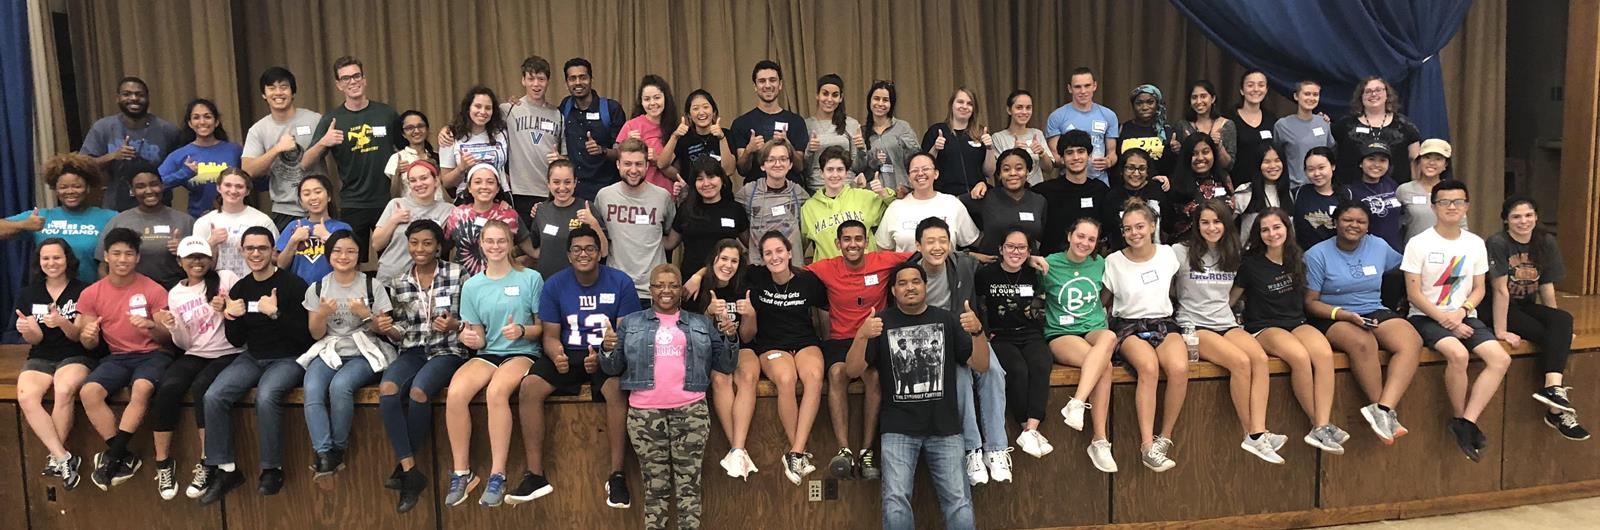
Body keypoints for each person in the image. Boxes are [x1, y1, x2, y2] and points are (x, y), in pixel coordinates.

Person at [843, 262, 986, 530]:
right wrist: (861, 336)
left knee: (959, 501)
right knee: (895, 500)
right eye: (903, 283)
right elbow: (852, 369)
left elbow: (980, 364)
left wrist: (978, 333)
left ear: (925, 286)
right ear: (894, 291)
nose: (910, 287)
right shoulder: (881, 323)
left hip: (946, 429)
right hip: (898, 428)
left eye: (915, 281)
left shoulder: (946, 319)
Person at [600, 263, 737, 530]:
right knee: (655, 488)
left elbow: (726, 365)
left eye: (673, 285)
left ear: (680, 290)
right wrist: (607, 349)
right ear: (650, 289)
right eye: (659, 285)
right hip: (644, 416)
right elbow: (613, 368)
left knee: (689, 487)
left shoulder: (700, 323)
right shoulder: (631, 323)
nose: (666, 290)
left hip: (691, 413)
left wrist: (730, 338)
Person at [519, 226, 639, 507]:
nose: (584, 254)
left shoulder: (621, 282)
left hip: (606, 353)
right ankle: (535, 475)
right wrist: (556, 354)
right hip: (568, 352)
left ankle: (617, 475)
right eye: (577, 249)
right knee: (529, 388)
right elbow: (549, 335)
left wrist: (606, 352)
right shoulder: (555, 284)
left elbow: (625, 336)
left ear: (600, 253)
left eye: (590, 249)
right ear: (569, 255)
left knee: (617, 389)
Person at [201, 226, 313, 504]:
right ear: (242, 251)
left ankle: (271, 469)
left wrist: (276, 314)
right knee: (213, 395)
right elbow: (236, 340)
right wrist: (232, 317)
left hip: (290, 357)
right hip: (253, 357)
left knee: (266, 395)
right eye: (250, 248)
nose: (256, 253)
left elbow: (306, 336)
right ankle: (226, 468)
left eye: (262, 248)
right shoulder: (241, 287)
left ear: (273, 251)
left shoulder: (293, 284)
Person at [1400, 180, 1510, 462]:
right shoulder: (1419, 243)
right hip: (1426, 317)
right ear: (1433, 206)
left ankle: (1466, 423)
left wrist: (1462, 312)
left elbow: (1480, 288)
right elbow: (1413, 293)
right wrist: (1446, 320)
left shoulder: (1474, 243)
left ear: (1467, 206)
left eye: (1458, 202)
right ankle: (1458, 415)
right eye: (1445, 202)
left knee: (1500, 359)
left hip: (1464, 314)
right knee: (1458, 355)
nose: (1452, 207)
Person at [442, 220, 546, 507]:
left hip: (523, 351)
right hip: (488, 354)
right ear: (481, 244)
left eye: (501, 241)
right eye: (490, 241)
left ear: (510, 244)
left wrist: (522, 331)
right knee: (455, 393)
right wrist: (472, 339)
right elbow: (479, 336)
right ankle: (462, 473)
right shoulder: (473, 286)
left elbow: (542, 328)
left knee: (496, 392)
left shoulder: (530, 279)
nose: (496, 246)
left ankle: (497, 475)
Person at [1171, 202, 1282, 463]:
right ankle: (1252, 434)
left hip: (1226, 321)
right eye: (1205, 222)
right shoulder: (1180, 251)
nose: (1211, 227)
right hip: (1194, 324)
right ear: (1197, 226)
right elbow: (1169, 288)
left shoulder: (1232, 252)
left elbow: (1231, 296)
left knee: (1260, 360)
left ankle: (1260, 429)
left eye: (1217, 222)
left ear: (1226, 224)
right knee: (1240, 362)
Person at [1304, 201, 1422, 444]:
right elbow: (1310, 303)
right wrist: (1344, 314)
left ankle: (1383, 409)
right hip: (1333, 314)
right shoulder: (1317, 254)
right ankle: (1381, 411)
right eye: (1348, 220)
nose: (1354, 225)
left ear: (1368, 227)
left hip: (1373, 308)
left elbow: (1408, 266)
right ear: (1335, 223)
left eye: (1361, 222)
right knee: (1363, 341)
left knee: (1411, 341)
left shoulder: (1378, 246)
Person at [1233, 208, 1345, 454]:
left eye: (1277, 227)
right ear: (1258, 234)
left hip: (1297, 321)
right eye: (1265, 229)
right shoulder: (1250, 263)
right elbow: (1231, 300)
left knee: (1324, 355)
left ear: (1287, 228)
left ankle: (1323, 425)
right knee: (1299, 357)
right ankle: (1317, 422)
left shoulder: (1298, 257)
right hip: (1264, 327)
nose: (1272, 233)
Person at [806, 220, 911, 480]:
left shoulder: (883, 261)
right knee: (837, 373)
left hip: (874, 338)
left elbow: (923, 254)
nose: (853, 244)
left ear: (866, 242)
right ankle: (844, 450)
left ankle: (866, 451)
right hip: (841, 340)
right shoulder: (826, 268)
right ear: (838, 244)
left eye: (858, 239)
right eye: (847, 239)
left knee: (874, 377)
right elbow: (789, 271)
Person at [374, 220, 465, 512]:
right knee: (387, 389)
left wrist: (455, 324)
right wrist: (387, 329)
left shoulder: (457, 273)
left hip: (447, 350)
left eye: (427, 243)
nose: (420, 249)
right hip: (412, 350)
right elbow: (401, 330)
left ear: (438, 246)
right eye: (414, 243)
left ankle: (406, 473)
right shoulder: (400, 280)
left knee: (418, 392)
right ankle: (411, 470)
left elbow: (470, 318)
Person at [911, 217, 1011, 485]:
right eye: (930, 241)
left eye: (943, 241)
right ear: (918, 245)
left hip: (968, 334)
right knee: (960, 381)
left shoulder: (963, 263)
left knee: (994, 371)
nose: (937, 247)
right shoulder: (909, 275)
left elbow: (997, 262)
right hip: (934, 344)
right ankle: (973, 450)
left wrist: (1032, 260)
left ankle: (997, 449)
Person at [146, 235, 243, 500]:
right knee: (167, 387)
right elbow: (184, 342)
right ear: (180, 261)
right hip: (195, 353)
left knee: (203, 388)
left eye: (201, 257)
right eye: (191, 258)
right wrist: (172, 325)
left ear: (211, 259)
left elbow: (242, 313)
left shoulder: (226, 278)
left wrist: (227, 309)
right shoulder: (176, 293)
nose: (197, 262)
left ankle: (207, 461)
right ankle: (163, 462)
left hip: (228, 352)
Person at [76, 227, 173, 489]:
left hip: (154, 354)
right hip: (117, 357)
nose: (122, 259)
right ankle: (123, 455)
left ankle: (112, 458)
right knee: (89, 392)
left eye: (129, 254)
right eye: (116, 254)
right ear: (106, 256)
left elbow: (168, 338)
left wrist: (152, 326)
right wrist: (88, 334)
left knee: (141, 388)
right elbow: (88, 342)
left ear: (137, 258)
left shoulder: (153, 289)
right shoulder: (91, 294)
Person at [1485, 196, 1587, 440]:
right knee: (1550, 338)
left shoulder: (1545, 241)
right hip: (1496, 307)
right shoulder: (1498, 242)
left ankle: (1553, 388)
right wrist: (1500, 331)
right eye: (1516, 217)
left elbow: (1547, 284)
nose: (1523, 221)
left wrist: (1554, 321)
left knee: (1561, 320)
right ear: (1506, 220)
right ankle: (1555, 409)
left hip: (1526, 304)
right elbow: (1499, 290)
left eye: (1528, 215)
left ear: (1536, 217)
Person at [297, 230, 396, 476]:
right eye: (338, 251)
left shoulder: (372, 285)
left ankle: (338, 449)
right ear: (328, 254)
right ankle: (323, 453)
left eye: (351, 251)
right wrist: (320, 314)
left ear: (359, 255)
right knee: (312, 387)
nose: (344, 256)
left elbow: (383, 329)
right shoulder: (318, 288)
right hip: (330, 347)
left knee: (340, 386)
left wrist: (365, 313)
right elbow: (316, 333)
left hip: (364, 350)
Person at [1103, 200, 1189, 472]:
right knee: (1149, 367)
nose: (1134, 233)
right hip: (1128, 325)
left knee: (1179, 367)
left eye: (1139, 226)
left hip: (1163, 320)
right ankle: (1147, 445)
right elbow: (1104, 300)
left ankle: (1164, 438)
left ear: (1152, 226)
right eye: (1127, 229)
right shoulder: (1113, 261)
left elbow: (1174, 290)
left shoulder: (1168, 255)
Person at [742, 231, 830, 485]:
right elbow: (720, 265)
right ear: (762, 257)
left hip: (804, 341)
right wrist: (698, 276)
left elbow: (824, 311)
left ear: (790, 253)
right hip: (771, 344)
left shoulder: (808, 281)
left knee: (814, 376)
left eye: (779, 251)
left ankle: (795, 452)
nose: (774, 257)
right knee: (786, 378)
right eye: (768, 253)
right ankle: (798, 451)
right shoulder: (756, 277)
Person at [14, 239, 95, 490]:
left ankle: (57, 459)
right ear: (39, 262)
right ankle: (62, 457)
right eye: (46, 258)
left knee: (63, 389)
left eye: (57, 258)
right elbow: (35, 339)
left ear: (67, 259)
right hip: (42, 354)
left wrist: (62, 322)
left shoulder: (84, 290)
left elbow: (78, 337)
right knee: (26, 396)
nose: (52, 263)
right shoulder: (30, 292)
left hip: (75, 353)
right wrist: (28, 329)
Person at [303, 56, 400, 264]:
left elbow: (408, 146)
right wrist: (324, 142)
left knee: (393, 261)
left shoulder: (386, 113)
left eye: (356, 76)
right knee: (351, 262)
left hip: (387, 201)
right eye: (345, 78)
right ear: (339, 85)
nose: (352, 82)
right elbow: (305, 162)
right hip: (353, 203)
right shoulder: (332, 120)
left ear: (364, 79)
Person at [1041, 219, 1119, 472]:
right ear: (1069, 235)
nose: (1084, 243)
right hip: (1062, 333)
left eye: (1091, 239)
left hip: (1094, 329)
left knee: (1109, 337)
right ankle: (1099, 440)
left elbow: (1106, 294)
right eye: (1080, 236)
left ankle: (1077, 403)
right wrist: (1031, 260)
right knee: (1104, 366)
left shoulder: (1100, 264)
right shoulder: (1049, 263)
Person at [974, 229, 1057, 464]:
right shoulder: (985, 275)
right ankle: (1026, 428)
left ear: (1029, 251)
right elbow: (980, 304)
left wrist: (1031, 261)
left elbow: (1041, 302)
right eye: (1010, 246)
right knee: (1017, 370)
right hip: (1000, 336)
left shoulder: (1034, 272)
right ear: (1000, 249)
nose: (1015, 252)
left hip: (1031, 333)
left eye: (1022, 248)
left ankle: (1031, 428)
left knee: (1041, 365)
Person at [684, 241, 761, 479]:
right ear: (713, 260)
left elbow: (748, 336)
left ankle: (737, 450)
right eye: (723, 259)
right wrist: (707, 314)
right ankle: (738, 449)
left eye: (734, 261)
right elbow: (689, 335)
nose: (728, 265)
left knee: (748, 376)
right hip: (709, 350)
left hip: (741, 347)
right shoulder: (698, 287)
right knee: (720, 379)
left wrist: (750, 315)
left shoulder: (744, 288)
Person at [1, 153, 117, 282]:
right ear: (55, 189)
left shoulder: (109, 218)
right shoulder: (41, 216)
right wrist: (23, 224)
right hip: (50, 297)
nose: (70, 191)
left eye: (77, 186)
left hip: (91, 295)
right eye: (63, 187)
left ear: (88, 187)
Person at [240, 67, 327, 228]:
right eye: (271, 88)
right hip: (285, 210)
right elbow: (248, 170)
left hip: (320, 207)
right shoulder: (258, 130)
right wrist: (277, 149)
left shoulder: (315, 120)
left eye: (284, 87)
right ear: (264, 95)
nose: (278, 93)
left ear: (293, 93)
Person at [597, 138, 678, 304]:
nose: (633, 170)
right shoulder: (604, 196)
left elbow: (670, 236)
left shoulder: (662, 196)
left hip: (654, 290)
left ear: (647, 166)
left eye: (639, 164)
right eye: (627, 164)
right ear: (618, 164)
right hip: (616, 288)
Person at [80, 76, 180, 210]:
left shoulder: (167, 130)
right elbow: (83, 166)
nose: (133, 98)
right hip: (115, 207)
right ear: (117, 98)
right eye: (126, 94)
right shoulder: (103, 127)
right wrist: (112, 156)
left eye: (139, 94)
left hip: (158, 208)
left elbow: (180, 167)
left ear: (148, 98)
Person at [101, 162, 194, 287]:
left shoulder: (185, 221)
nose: (149, 191)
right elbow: (103, 266)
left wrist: (186, 250)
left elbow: (202, 262)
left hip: (176, 293)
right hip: (131, 292)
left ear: (162, 185)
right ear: (132, 190)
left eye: (154, 184)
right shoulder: (119, 222)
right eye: (140, 186)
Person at [800, 146, 893, 260]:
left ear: (846, 173)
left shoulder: (864, 196)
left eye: (840, 169)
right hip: (829, 274)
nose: (835, 175)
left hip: (865, 270)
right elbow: (800, 247)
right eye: (829, 169)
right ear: (821, 173)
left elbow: (897, 210)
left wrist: (883, 193)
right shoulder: (809, 208)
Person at [502, 56, 565, 223]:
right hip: (519, 191)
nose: (536, 84)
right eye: (531, 78)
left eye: (541, 79)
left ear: (548, 81)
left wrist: (560, 159)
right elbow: (476, 119)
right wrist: (448, 130)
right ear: (523, 80)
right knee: (522, 244)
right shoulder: (508, 110)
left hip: (549, 191)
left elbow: (565, 157)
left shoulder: (557, 115)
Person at [875, 152, 979, 252]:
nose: (920, 173)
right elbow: (883, 248)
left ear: (936, 174)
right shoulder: (895, 208)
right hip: (906, 269)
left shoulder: (952, 204)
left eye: (925, 169)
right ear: (909, 178)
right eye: (915, 170)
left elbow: (971, 240)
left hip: (946, 269)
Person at [160, 98, 246, 218]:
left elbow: (253, 179)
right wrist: (184, 173)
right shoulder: (180, 155)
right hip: (199, 220)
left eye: (207, 117)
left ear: (216, 122)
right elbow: (156, 183)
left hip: (237, 217)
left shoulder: (235, 151)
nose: (202, 122)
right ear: (190, 123)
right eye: (196, 117)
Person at [443, 165, 534, 276]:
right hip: (464, 281)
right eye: (478, 182)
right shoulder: (457, 214)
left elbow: (531, 250)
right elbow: (444, 247)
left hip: (501, 280)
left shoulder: (509, 215)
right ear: (469, 188)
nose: (484, 186)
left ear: (498, 188)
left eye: (490, 182)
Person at [731, 60, 810, 186]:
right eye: (762, 81)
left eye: (772, 80)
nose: (767, 85)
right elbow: (742, 170)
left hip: (790, 192)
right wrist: (749, 150)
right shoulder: (741, 123)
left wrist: (788, 145)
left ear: (780, 84)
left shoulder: (796, 121)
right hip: (756, 193)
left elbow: (800, 167)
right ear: (755, 86)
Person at [558, 57, 627, 201]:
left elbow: (623, 153)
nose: (578, 82)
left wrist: (602, 151)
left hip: (606, 191)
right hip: (573, 192)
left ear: (591, 80)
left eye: (583, 77)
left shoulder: (611, 109)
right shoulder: (565, 106)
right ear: (566, 83)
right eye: (572, 78)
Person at [374, 160, 454, 281]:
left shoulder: (448, 210)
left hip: (426, 281)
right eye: (413, 180)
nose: (419, 184)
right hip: (390, 277)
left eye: (424, 178)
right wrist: (394, 220)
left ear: (436, 180)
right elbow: (376, 244)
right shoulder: (396, 204)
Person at [528, 159, 609, 279]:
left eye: (567, 182)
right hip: (547, 281)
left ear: (575, 182)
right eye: (556, 182)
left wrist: (594, 224)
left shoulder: (587, 208)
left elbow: (604, 252)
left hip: (579, 282)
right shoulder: (541, 210)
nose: (562, 187)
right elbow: (534, 247)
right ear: (548, 184)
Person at [1334, 76, 1421, 186]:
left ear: (1387, 95)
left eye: (1378, 90)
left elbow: (1415, 159)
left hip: (1396, 194)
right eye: (1368, 91)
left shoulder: (1405, 125)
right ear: (1361, 96)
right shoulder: (1345, 124)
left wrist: (1417, 189)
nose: (1373, 94)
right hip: (1351, 193)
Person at [1034, 130, 1111, 254]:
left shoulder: (1101, 190)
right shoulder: (1044, 191)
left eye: (1081, 151)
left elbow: (1106, 229)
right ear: (1062, 158)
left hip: (1088, 261)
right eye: (1069, 153)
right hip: (1051, 262)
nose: (1076, 157)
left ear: (1089, 155)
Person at [192, 169, 278, 278]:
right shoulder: (204, 222)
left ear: (247, 191)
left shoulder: (261, 220)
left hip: (253, 282)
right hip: (216, 285)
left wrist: (250, 248)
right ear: (219, 188)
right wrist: (211, 243)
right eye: (228, 185)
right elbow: (194, 261)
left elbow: (276, 259)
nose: (233, 191)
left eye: (239, 186)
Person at [735, 138, 810, 265]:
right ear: (762, 165)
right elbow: (736, 218)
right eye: (771, 159)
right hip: (759, 266)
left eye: (783, 159)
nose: (778, 164)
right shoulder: (749, 191)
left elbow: (806, 231)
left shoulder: (799, 193)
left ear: (790, 164)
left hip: (793, 267)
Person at [964, 148, 1044, 258]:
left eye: (1019, 168)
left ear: (1027, 171)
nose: (1012, 173)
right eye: (1006, 169)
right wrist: (974, 238)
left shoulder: (1039, 200)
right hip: (990, 268)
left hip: (1028, 268)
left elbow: (1040, 235)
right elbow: (953, 204)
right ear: (999, 174)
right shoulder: (985, 196)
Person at [673, 160, 747, 277]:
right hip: (692, 281)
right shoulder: (686, 209)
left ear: (722, 179)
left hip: (727, 279)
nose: (706, 183)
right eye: (700, 179)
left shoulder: (735, 209)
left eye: (711, 177)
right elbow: (669, 243)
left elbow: (749, 244)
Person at [1046, 67, 1119, 185]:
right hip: (1068, 183)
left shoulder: (1108, 115)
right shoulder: (1057, 117)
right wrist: (1076, 162)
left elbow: (1112, 153)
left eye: (1087, 85)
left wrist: (1108, 162)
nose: (1083, 91)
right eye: (1077, 87)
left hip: (1099, 183)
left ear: (1094, 86)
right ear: (1070, 89)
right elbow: (1055, 156)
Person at [275, 175, 353, 285]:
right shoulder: (293, 226)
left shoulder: (343, 227)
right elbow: (281, 265)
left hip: (333, 289)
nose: (313, 197)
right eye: (306, 194)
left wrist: (327, 236)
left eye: (317, 192)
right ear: (301, 201)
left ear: (329, 196)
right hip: (299, 290)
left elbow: (350, 260)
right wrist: (293, 241)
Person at [439, 86, 511, 199]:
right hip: (466, 200)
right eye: (477, 106)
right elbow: (446, 182)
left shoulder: (502, 133)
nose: (483, 112)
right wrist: (461, 168)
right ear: (468, 108)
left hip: (500, 199)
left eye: (488, 108)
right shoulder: (450, 136)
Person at [922, 87, 994, 196]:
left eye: (969, 104)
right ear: (952, 104)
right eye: (960, 102)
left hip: (977, 196)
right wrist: (935, 149)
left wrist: (990, 148)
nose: (964, 106)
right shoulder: (936, 131)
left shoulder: (981, 132)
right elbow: (924, 167)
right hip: (945, 197)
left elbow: (989, 172)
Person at [617, 74, 681, 194]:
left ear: (665, 98)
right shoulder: (631, 126)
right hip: (635, 196)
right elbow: (617, 159)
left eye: (657, 98)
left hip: (666, 196)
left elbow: (679, 175)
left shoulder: (675, 130)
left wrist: (658, 160)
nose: (652, 103)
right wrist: (627, 146)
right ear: (641, 102)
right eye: (647, 99)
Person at [803, 74, 867, 191]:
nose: (829, 99)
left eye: (835, 95)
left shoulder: (851, 124)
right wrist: (809, 152)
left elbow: (856, 167)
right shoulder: (806, 125)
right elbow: (804, 169)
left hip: (847, 188)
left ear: (841, 98)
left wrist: (861, 150)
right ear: (817, 95)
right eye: (825, 93)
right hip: (817, 189)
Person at [858, 80, 921, 194]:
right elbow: (858, 169)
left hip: (901, 192)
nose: (880, 103)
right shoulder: (862, 132)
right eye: (876, 98)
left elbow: (916, 160)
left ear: (891, 104)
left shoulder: (902, 127)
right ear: (869, 101)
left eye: (885, 100)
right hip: (872, 194)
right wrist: (873, 161)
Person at [1102, 148, 1172, 251]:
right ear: (1122, 170)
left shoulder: (1158, 190)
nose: (1136, 173)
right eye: (1130, 168)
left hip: (1157, 252)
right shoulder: (1112, 197)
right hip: (1123, 256)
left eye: (1142, 168)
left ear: (1148, 171)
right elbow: (1109, 230)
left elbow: (1168, 225)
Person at [660, 88, 738, 179]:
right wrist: (674, 136)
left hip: (722, 192)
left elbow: (729, 170)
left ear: (714, 112)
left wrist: (722, 138)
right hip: (692, 192)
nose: (701, 112)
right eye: (695, 108)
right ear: (689, 115)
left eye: (705, 107)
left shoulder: (726, 134)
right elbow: (662, 164)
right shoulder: (683, 138)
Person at [1398, 139, 1465, 243]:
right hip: (1413, 253)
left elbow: (1462, 225)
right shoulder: (1404, 190)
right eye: (1427, 157)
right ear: (1419, 160)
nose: (1431, 163)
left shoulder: (1452, 191)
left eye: (1438, 159)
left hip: (1447, 252)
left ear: (1445, 164)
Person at [1273, 80, 1336, 189]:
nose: (1311, 98)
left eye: (1315, 94)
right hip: (1296, 187)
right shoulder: (1282, 125)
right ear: (1296, 96)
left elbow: (1331, 151)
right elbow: (1276, 156)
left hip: (1322, 186)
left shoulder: (1323, 123)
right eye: (1307, 94)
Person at [1170, 134, 1234, 237]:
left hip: (1223, 242)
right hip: (1189, 244)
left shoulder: (1223, 177)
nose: (1200, 158)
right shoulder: (1177, 182)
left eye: (1205, 152)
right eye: (1194, 154)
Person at [1348, 142, 1404, 251]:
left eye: (1382, 160)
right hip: (1367, 253)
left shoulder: (1392, 185)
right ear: (1361, 163)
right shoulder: (1350, 191)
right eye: (1371, 159)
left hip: (1395, 252)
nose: (1377, 164)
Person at [990, 89, 1055, 185]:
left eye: (1028, 108)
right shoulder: (998, 137)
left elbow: (1049, 169)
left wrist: (1042, 153)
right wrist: (1014, 153)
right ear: (1009, 110)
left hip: (1036, 191)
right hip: (1010, 192)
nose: (1024, 112)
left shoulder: (1037, 134)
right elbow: (996, 172)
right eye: (1019, 107)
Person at [1291, 147, 1350, 250]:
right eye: (1311, 169)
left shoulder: (1347, 194)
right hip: (1305, 257)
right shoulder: (1298, 193)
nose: (1317, 173)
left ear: (1333, 166)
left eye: (1321, 168)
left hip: (1338, 255)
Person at [1229, 70, 1279, 188]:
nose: (1256, 89)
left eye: (1261, 85)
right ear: (1242, 90)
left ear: (1266, 90)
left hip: (1267, 185)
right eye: (1250, 85)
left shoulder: (1272, 119)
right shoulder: (1229, 119)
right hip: (1238, 186)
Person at [1232, 143, 1293, 234]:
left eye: (1277, 160)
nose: (1273, 166)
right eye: (1267, 162)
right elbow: (1225, 221)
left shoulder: (1288, 193)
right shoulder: (1246, 192)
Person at [1175, 80, 1237, 171]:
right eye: (1194, 97)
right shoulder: (1182, 125)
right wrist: (1178, 150)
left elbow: (1228, 166)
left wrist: (1219, 146)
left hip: (1218, 180)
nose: (1199, 101)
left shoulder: (1227, 125)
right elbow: (1180, 164)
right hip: (1189, 180)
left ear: (1213, 99)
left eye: (1203, 96)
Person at [1118, 84, 1174, 177]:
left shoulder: (1166, 131)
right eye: (1139, 103)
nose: (1144, 107)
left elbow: (1171, 167)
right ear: (1133, 105)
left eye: (1150, 102)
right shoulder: (1122, 129)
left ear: (1157, 104)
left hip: (1157, 187)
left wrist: (1176, 151)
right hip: (1127, 188)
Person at [384, 110, 440, 201]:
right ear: (403, 134)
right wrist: (397, 174)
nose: (416, 131)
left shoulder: (437, 156)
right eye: (410, 128)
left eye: (420, 126)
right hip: (410, 211)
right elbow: (394, 197)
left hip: (439, 210)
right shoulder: (397, 158)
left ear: (427, 129)